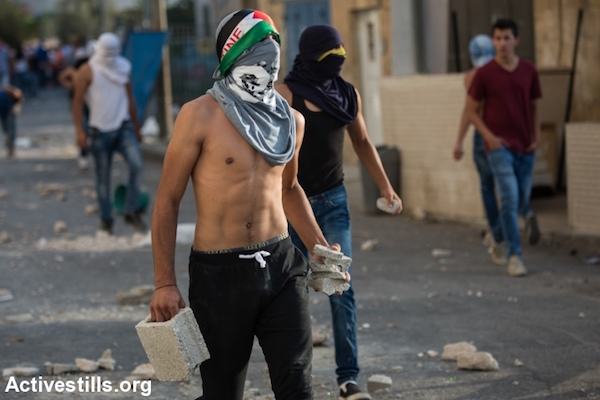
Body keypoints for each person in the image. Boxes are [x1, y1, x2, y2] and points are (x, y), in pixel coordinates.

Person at [149, 9, 347, 400]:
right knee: (223, 391)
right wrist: (164, 283)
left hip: (282, 264)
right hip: (219, 275)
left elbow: (289, 189)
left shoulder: (291, 120)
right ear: (232, 55)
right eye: (257, 53)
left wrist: (320, 248)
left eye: (271, 54)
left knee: (297, 384)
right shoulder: (198, 115)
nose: (266, 64)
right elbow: (168, 200)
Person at [276, 24, 402, 400]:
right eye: (330, 54)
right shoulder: (285, 94)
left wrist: (385, 185)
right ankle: (294, 381)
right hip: (289, 207)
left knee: (340, 286)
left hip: (333, 204)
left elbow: (362, 141)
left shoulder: (346, 94)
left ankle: (348, 379)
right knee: (289, 294)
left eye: (341, 53)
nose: (339, 60)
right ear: (310, 55)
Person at [453, 34, 540, 266]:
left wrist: (459, 141)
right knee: (511, 192)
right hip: (501, 140)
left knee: (490, 188)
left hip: (486, 141)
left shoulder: (473, 76)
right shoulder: (491, 73)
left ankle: (497, 234)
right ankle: (519, 218)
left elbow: (468, 112)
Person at [72, 32, 146, 234]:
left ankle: (132, 210)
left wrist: (137, 127)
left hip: (124, 127)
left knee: (137, 165)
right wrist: (80, 132)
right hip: (99, 131)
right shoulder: (87, 71)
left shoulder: (123, 67)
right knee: (102, 179)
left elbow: (129, 98)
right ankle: (106, 219)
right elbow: (77, 103)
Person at [59, 46, 92, 170]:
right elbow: (62, 76)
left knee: (88, 128)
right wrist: (70, 85)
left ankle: (86, 152)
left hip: (88, 103)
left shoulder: (89, 71)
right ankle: (84, 154)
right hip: (79, 104)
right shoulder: (75, 71)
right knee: (83, 128)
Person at [0, 85, 22, 159]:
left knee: (11, 131)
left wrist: (17, 108)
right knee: (6, 130)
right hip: (3, 111)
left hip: (10, 110)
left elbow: (19, 95)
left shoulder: (9, 91)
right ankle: (9, 147)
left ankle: (12, 149)